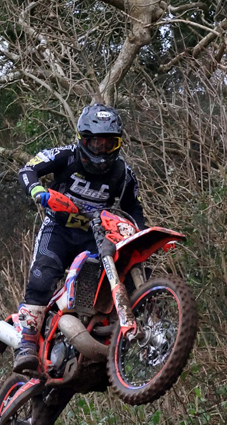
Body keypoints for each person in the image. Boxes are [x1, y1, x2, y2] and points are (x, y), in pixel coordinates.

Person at [13, 103, 146, 374]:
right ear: (82, 140)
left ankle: (119, 332)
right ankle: (26, 344)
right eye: (94, 143)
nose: (101, 150)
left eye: (108, 144)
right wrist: (38, 191)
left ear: (118, 144)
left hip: (95, 234)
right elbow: (27, 170)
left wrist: (138, 234)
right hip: (58, 228)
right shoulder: (64, 156)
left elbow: (135, 208)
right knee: (43, 275)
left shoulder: (124, 173)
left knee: (120, 274)